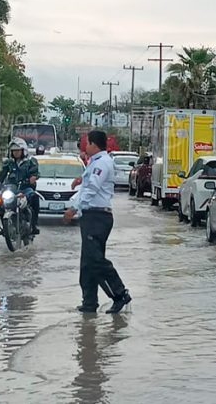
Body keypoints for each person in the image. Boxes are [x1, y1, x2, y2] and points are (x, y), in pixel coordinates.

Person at [64, 130, 132, 314]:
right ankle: (89, 302)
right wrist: (75, 200)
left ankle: (120, 294)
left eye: (87, 143)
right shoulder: (94, 163)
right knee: (87, 262)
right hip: (91, 216)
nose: (85, 147)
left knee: (96, 260)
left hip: (97, 217)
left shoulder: (101, 163)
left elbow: (91, 190)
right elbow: (87, 187)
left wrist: (74, 208)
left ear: (94, 145)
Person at [0, 138, 40, 234]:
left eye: (18, 150)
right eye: (13, 151)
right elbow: (2, 174)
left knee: (34, 197)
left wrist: (33, 177)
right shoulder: (8, 163)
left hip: (26, 188)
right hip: (11, 189)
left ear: (23, 150)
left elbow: (35, 173)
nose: (16, 153)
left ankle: (34, 225)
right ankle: (4, 226)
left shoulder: (31, 161)